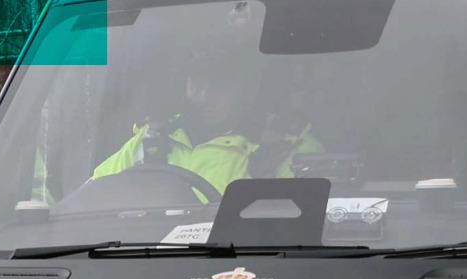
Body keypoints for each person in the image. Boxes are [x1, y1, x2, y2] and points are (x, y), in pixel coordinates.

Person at [88, 69, 320, 191]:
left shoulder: (287, 146)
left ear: (246, 89)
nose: (206, 97)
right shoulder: (152, 138)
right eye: (198, 84)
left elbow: (308, 224)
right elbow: (94, 194)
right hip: (152, 261)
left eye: (220, 86)